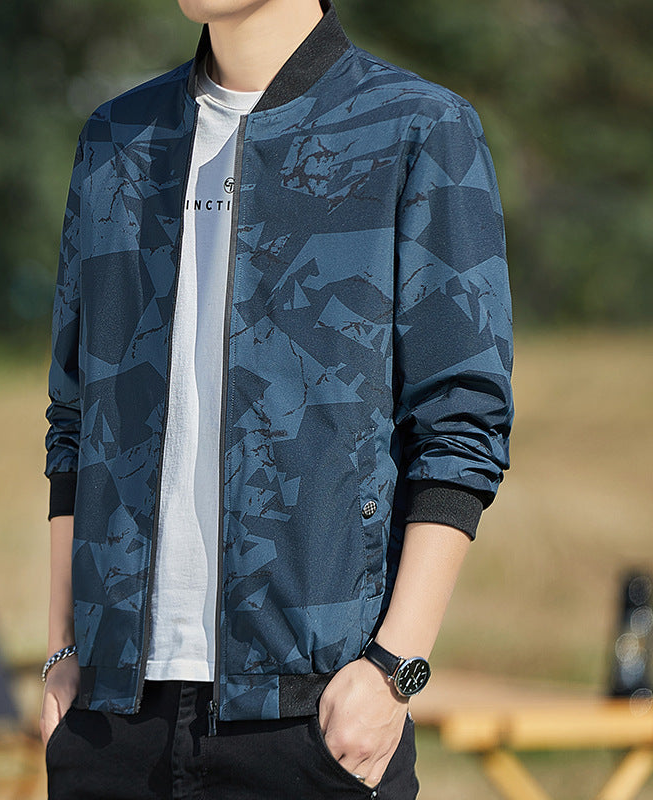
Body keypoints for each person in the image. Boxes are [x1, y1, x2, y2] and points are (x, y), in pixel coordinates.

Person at [40, 0, 514, 797]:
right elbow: (77, 420)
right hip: (111, 716)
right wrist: (62, 651)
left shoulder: (416, 128)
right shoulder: (117, 138)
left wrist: (392, 669)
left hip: (315, 715)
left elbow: (461, 424)